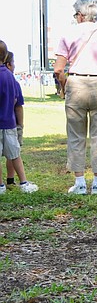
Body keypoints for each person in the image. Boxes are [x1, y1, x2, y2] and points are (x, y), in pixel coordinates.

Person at [53, 0, 97, 195]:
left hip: (76, 83)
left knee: (76, 136)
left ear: (81, 15)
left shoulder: (68, 35)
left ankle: (80, 183)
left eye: (76, 14)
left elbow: (58, 69)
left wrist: (64, 85)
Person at [0, 46, 37, 194]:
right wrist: (20, 124)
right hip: (9, 123)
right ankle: (23, 182)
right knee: (15, 154)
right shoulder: (10, 77)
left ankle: (1, 186)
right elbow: (17, 102)